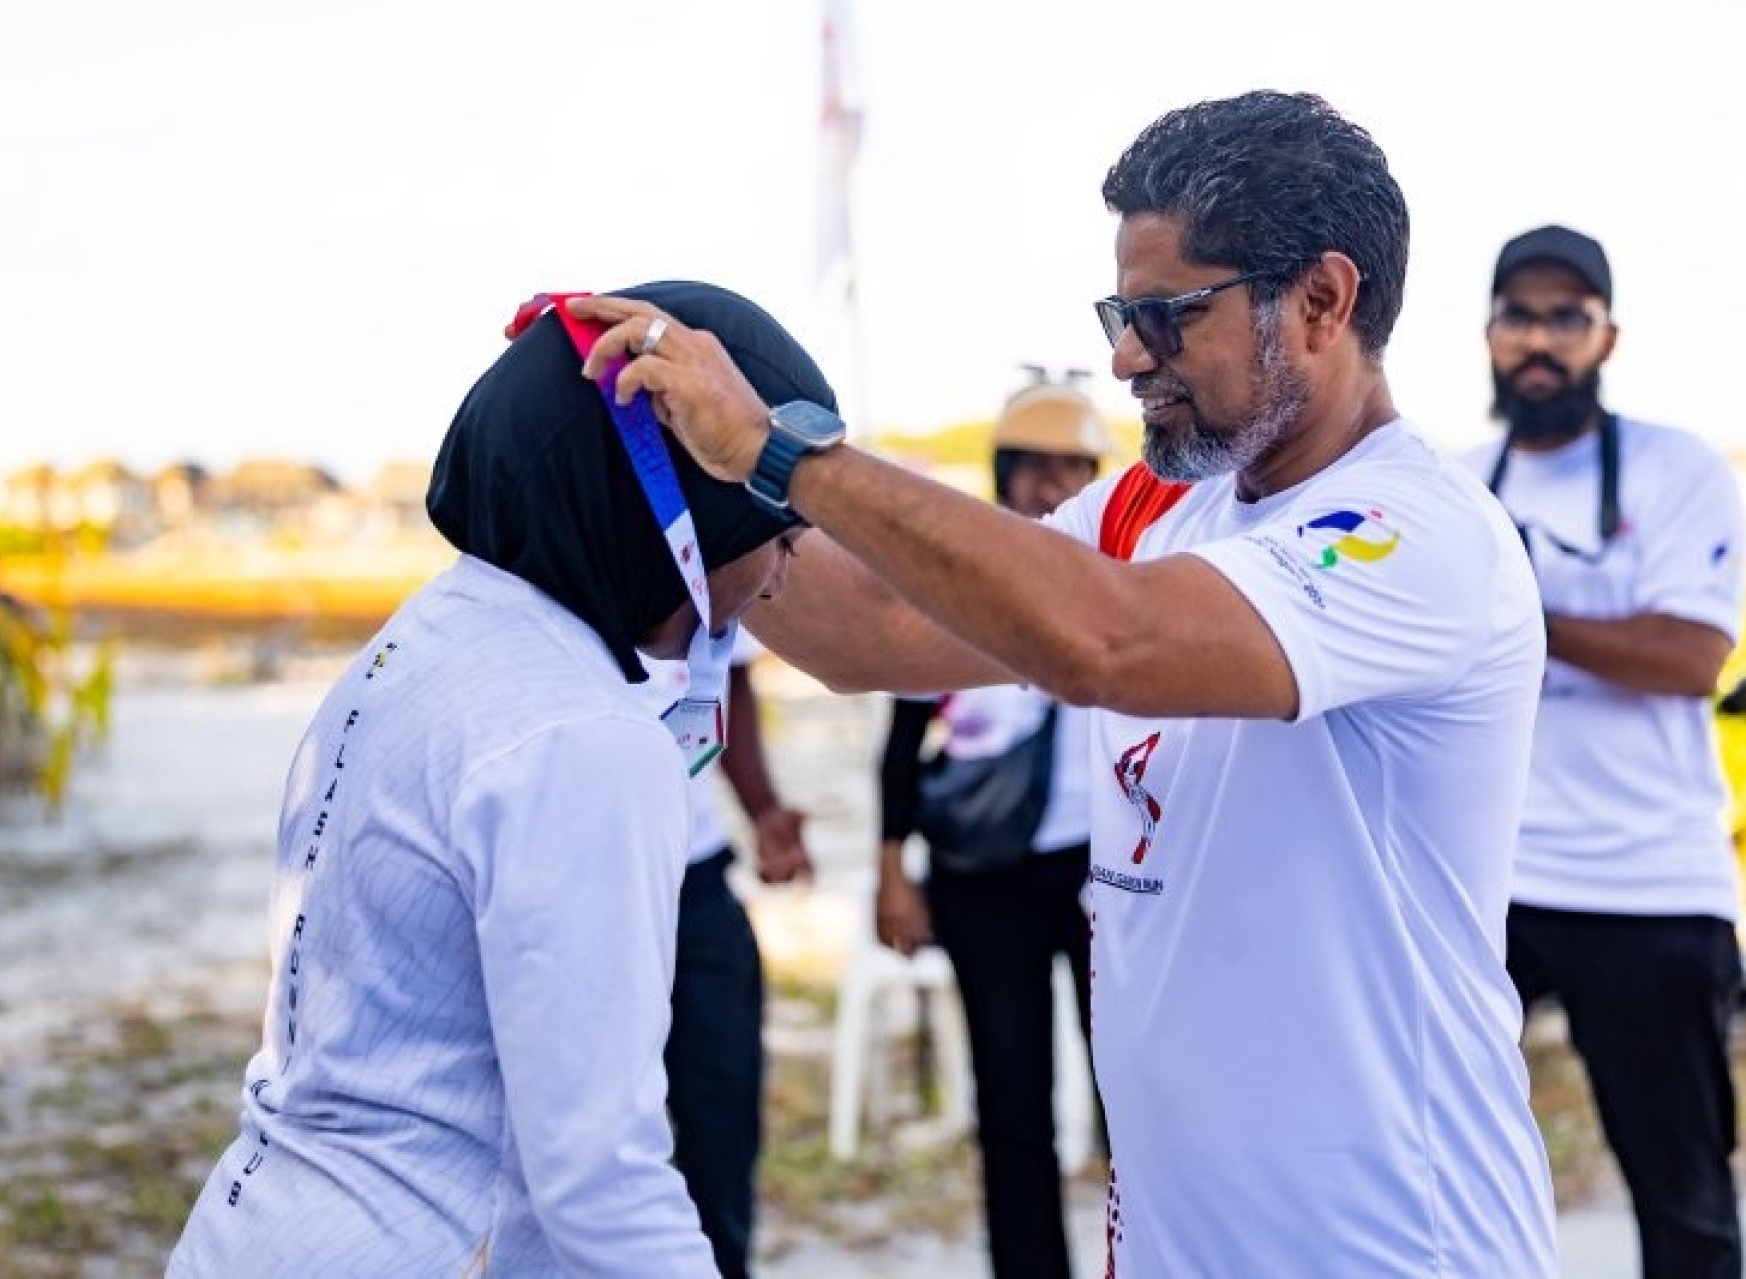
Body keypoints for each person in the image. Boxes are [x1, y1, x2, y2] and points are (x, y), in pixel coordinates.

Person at [568, 89, 1561, 1275]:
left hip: (1392, 1248)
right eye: (1120, 313)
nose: (1126, 356)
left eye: (1167, 316)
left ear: (1322, 302)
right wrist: (663, 478)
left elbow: (1108, 644)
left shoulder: (1416, 532)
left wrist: (780, 450)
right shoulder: (1160, 506)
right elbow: (871, 628)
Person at [166, 281, 835, 1277]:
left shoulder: (422, 642)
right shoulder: (585, 736)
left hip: (253, 1228)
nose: (782, 576)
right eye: (778, 536)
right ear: (686, 510)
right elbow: (599, 1185)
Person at [1463, 225, 1746, 1279]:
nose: (1540, 340)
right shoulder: (1456, 486)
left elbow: (1689, 655)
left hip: (1648, 882)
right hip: (1486, 882)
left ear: (1607, 336)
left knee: (1682, 1197)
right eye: (1519, 316)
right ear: (1490, 331)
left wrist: (1518, 618)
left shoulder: (1678, 470)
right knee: (1431, 1155)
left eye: (1566, 318)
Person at [873, 373, 1108, 1279]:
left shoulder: (1124, 575)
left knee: (1131, 1094)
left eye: (1071, 466)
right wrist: (892, 871)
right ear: (1003, 469)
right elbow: (901, 742)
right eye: (1035, 465)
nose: (1052, 484)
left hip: (1099, 868)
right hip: (982, 873)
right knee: (1012, 1102)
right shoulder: (954, 581)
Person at [642, 633, 810, 1279]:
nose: (775, 583)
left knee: (722, 1119)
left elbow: (727, 680)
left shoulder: (716, 575)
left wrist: (763, 808)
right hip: (589, 879)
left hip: (697, 876)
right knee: (597, 1134)